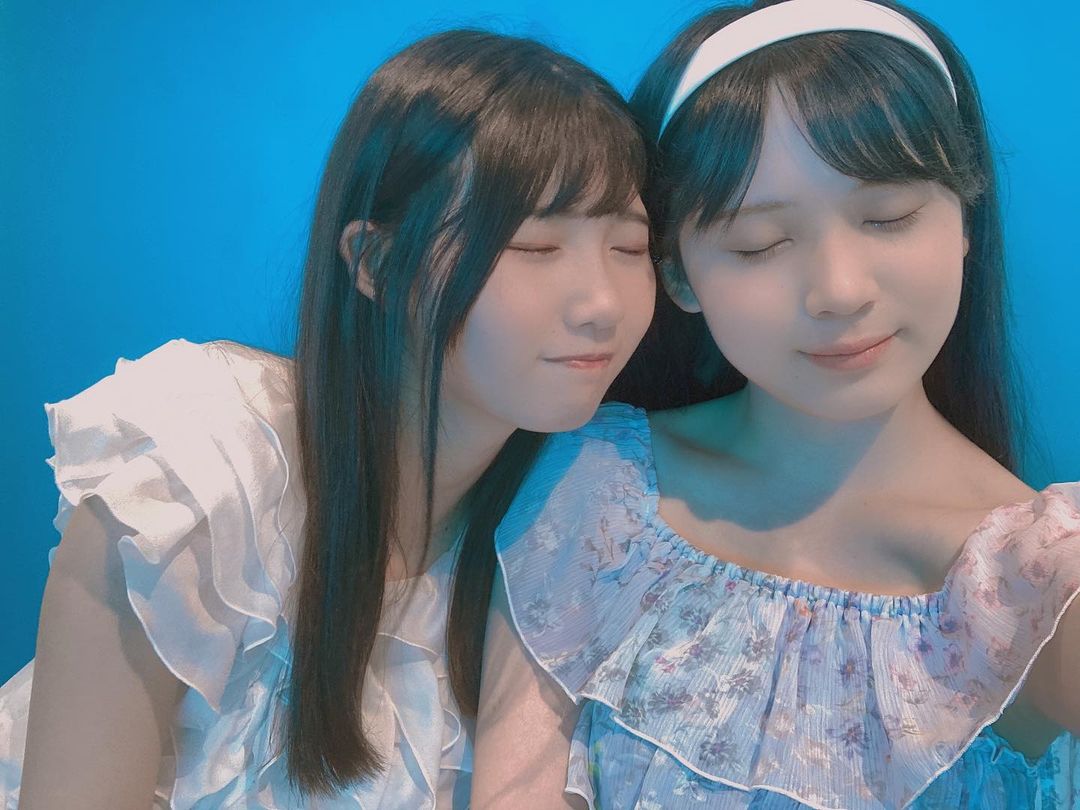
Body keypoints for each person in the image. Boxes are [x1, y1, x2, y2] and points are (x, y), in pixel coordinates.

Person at [0, 29, 656, 809]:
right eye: (536, 246)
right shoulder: (202, 480)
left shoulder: (583, 518)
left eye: (630, 246)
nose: (602, 303)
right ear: (376, 263)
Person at [474, 1, 1080, 807]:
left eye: (889, 217)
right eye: (760, 244)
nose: (839, 290)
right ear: (678, 272)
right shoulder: (598, 488)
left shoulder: (1037, 576)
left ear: (965, 222)